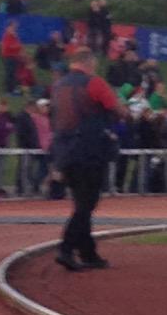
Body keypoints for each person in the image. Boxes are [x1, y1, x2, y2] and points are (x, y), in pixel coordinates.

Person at [50, 47, 120, 270]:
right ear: (89, 63)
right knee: (86, 204)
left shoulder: (59, 85)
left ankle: (88, 252)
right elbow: (116, 108)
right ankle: (66, 248)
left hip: (64, 151)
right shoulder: (94, 83)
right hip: (89, 150)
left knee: (82, 202)